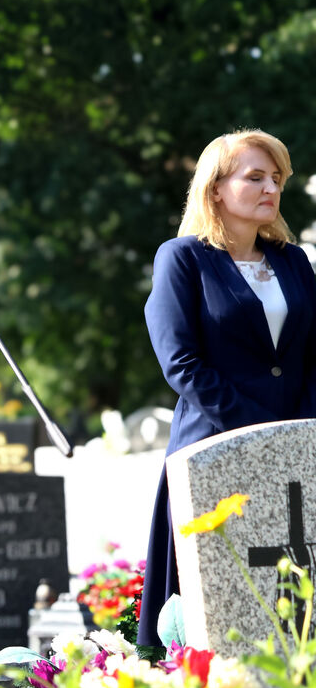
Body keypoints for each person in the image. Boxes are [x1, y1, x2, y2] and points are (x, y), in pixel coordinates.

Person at [138, 129, 316, 647]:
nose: (270, 189)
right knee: (220, 612)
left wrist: (300, 430)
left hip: (297, 452)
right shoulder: (182, 258)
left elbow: (310, 358)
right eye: (255, 177)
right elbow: (181, 363)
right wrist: (256, 429)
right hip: (213, 445)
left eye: (276, 179)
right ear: (215, 188)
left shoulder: (294, 261)